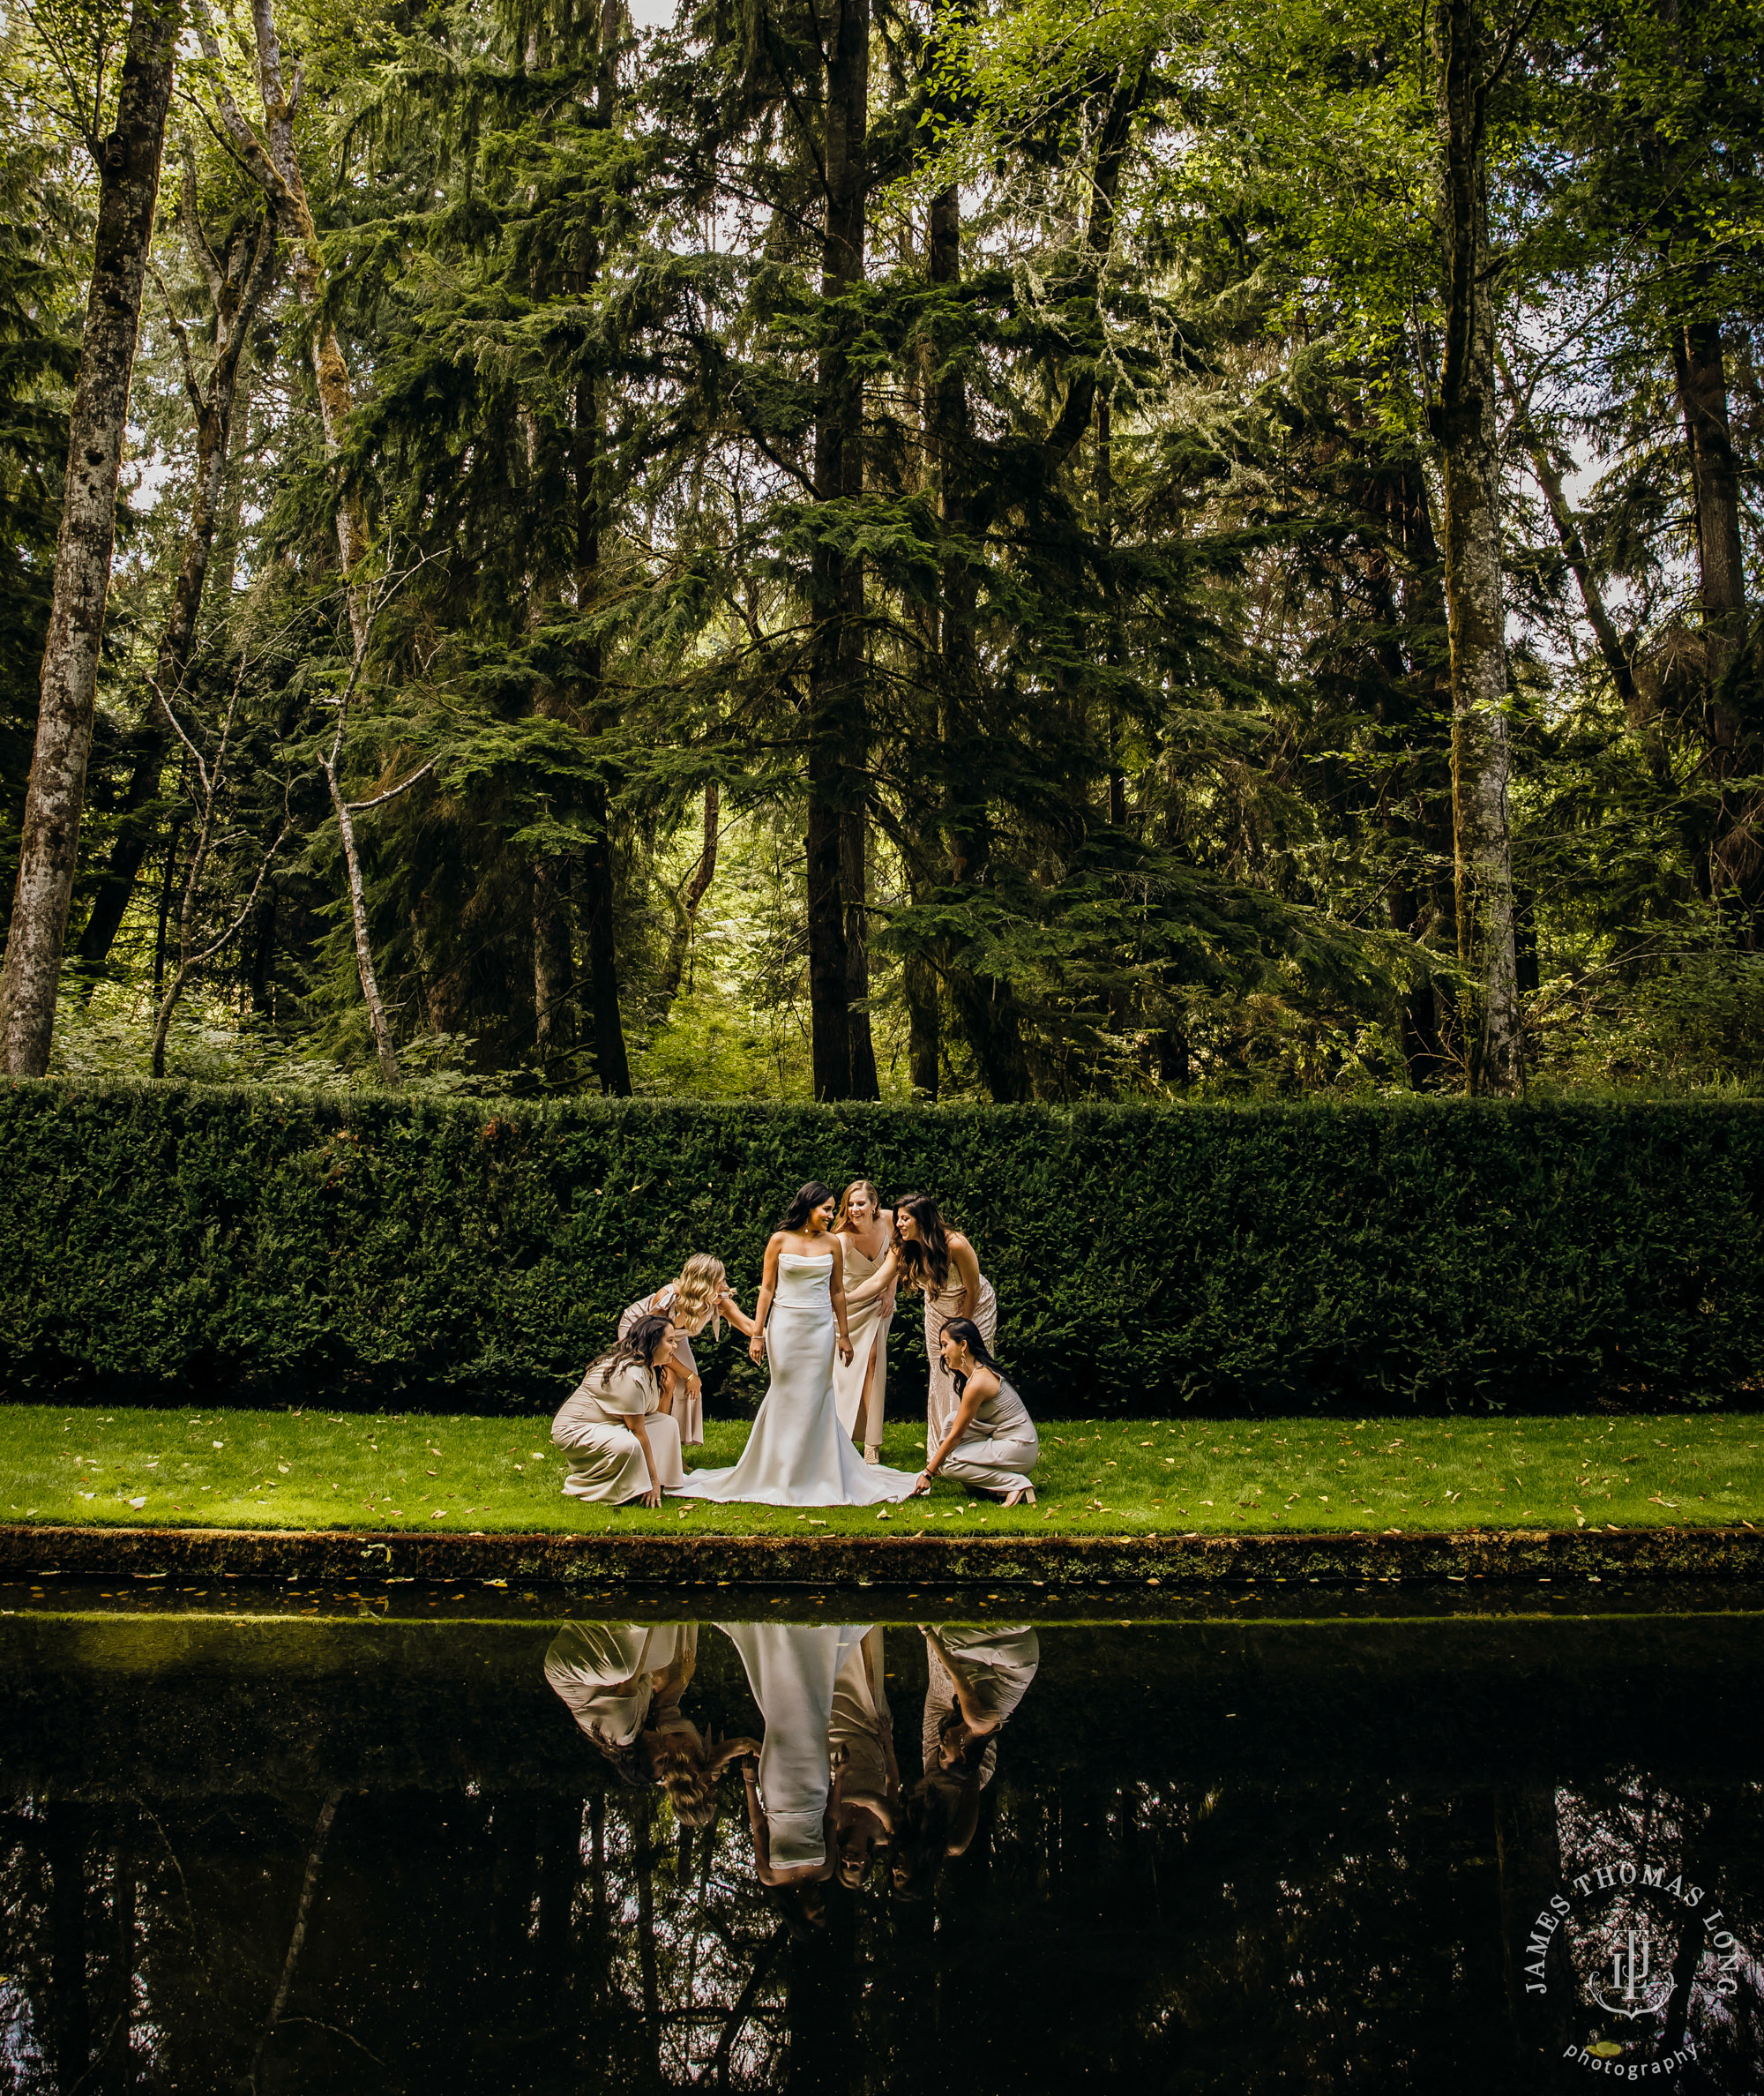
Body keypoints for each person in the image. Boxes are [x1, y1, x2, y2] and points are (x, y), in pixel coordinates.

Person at [669, 1183, 919, 1507]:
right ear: (809, 1208)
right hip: (785, 1327)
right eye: (826, 1209)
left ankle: (819, 1469)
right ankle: (780, 1468)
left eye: (832, 1209)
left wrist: (843, 1334)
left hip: (820, 1329)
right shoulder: (779, 1240)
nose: (832, 1215)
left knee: (817, 1393)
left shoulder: (832, 1243)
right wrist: (757, 1334)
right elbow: (767, 1289)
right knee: (785, 1392)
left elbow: (838, 1292)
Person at [720, 1620, 871, 1924]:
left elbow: (759, 1826)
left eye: (816, 1914)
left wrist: (750, 1782)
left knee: (781, 1719)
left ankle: (778, 1644)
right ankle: (811, 1644)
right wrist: (838, 1777)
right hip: (814, 1787)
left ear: (799, 1915)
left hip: (779, 1792)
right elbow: (831, 1818)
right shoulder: (825, 1870)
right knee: (813, 1717)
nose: (821, 1908)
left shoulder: (769, 1876)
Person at [543, 1620, 756, 1826]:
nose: (666, 1752)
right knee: (660, 1660)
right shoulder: (640, 1739)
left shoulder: (623, 1733)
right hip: (598, 1676)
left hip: (569, 1672)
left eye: (660, 1760)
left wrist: (652, 1622)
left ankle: (647, 1613)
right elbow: (742, 1745)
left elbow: (632, 1678)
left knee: (625, 1667)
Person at [892, 1621, 1040, 1903]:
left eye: (893, 1874)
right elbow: (970, 1784)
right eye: (901, 1876)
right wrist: (955, 1759)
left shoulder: (904, 1831)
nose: (895, 1869)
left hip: (934, 1757)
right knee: (961, 1676)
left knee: (942, 1674)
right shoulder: (953, 1843)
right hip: (962, 1761)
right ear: (920, 1872)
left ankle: (939, 1614)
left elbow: (881, 1802)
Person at [893, 1194, 998, 1447]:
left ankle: (977, 1444)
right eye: (897, 1218)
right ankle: (941, 1448)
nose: (899, 1224)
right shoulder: (906, 1246)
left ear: (922, 1220)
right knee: (941, 1376)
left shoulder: (956, 1245)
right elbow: (879, 1281)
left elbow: (973, 1289)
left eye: (905, 1218)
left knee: (969, 1370)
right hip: (937, 1312)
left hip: (973, 1310)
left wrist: (962, 1332)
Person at [618, 1254, 756, 1446]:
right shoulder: (669, 1298)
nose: (725, 1286)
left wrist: (777, 1338)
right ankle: (657, 1444)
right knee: (668, 1381)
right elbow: (655, 1344)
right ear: (703, 1283)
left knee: (685, 1385)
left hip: (673, 1336)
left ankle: (672, 1448)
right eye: (720, 1281)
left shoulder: (718, 1300)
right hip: (642, 1333)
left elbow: (749, 1326)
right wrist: (690, 1375)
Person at [551, 1313, 684, 1506]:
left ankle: (662, 1480)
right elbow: (637, 1431)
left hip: (609, 1423)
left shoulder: (649, 1368)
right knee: (628, 1446)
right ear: (653, 1343)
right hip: (575, 1429)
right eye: (670, 1341)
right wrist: (652, 1482)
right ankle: (590, 1486)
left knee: (667, 1424)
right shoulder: (632, 1373)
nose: (675, 1346)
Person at [910, 1318, 1038, 1507]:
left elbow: (956, 1437)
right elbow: (958, 1427)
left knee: (949, 1463)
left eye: (945, 1345)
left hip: (1020, 1448)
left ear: (963, 1345)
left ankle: (1017, 1484)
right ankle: (990, 1487)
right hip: (1006, 1443)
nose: (942, 1352)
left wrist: (928, 1472)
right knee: (952, 1420)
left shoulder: (978, 1382)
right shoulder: (975, 1376)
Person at [828, 1625, 900, 1888]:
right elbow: (892, 1782)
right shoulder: (883, 1832)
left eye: (844, 1866)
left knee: (832, 1680)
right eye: (855, 1867)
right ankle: (867, 1620)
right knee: (869, 1682)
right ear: (867, 1861)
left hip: (837, 1740)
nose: (850, 1861)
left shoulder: (833, 1826)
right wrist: (888, 1742)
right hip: (872, 1739)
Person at [831, 1180, 897, 1464]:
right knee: (843, 1372)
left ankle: (872, 1443)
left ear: (874, 1204)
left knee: (872, 1362)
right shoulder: (844, 1238)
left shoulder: (891, 1220)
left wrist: (890, 1293)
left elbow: (899, 1259)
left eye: (861, 1203)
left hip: (879, 1305)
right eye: (851, 1204)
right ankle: (837, 1435)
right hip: (848, 1306)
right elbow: (831, 1277)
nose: (855, 1209)